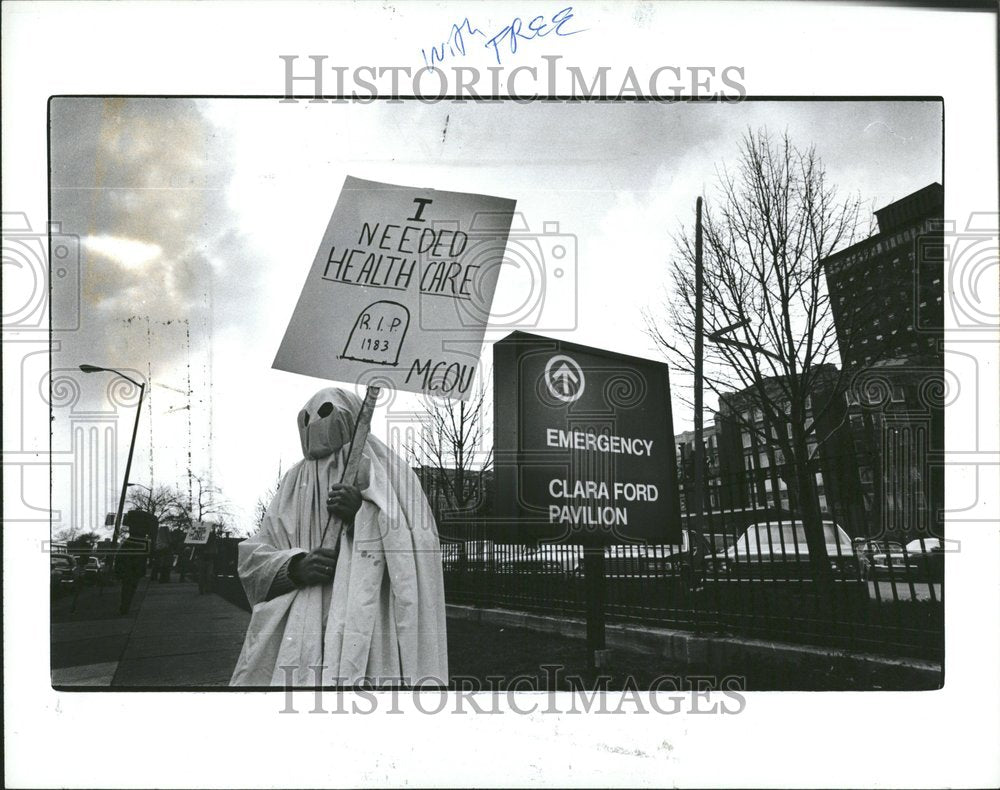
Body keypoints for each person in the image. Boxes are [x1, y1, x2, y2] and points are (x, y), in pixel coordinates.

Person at [230, 387, 448, 687]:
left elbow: (415, 545)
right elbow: (258, 553)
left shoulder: (385, 468)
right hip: (299, 622)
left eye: (325, 412)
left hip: (368, 619)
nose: (314, 422)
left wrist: (362, 515)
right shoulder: (294, 479)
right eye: (307, 417)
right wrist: (293, 567)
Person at [114, 528, 149, 615]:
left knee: (126, 589)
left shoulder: (128, 543)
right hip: (133, 570)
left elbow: (119, 557)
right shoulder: (142, 543)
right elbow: (143, 558)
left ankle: (124, 606)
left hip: (128, 570)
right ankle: (125, 606)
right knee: (130, 589)